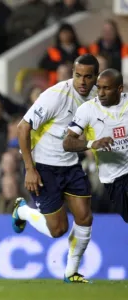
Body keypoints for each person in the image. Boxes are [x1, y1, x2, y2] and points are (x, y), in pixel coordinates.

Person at [12, 54, 99, 283]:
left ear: (95, 78)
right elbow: (22, 128)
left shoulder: (97, 97)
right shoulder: (56, 96)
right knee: (58, 230)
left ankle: (71, 272)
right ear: (72, 73)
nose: (82, 81)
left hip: (70, 165)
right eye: (78, 75)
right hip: (43, 166)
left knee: (85, 217)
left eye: (87, 77)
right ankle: (23, 211)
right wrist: (30, 169)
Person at [63, 68, 128, 223]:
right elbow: (67, 142)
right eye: (98, 88)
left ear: (120, 89)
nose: (101, 93)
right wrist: (93, 143)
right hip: (113, 180)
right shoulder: (88, 110)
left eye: (106, 88)